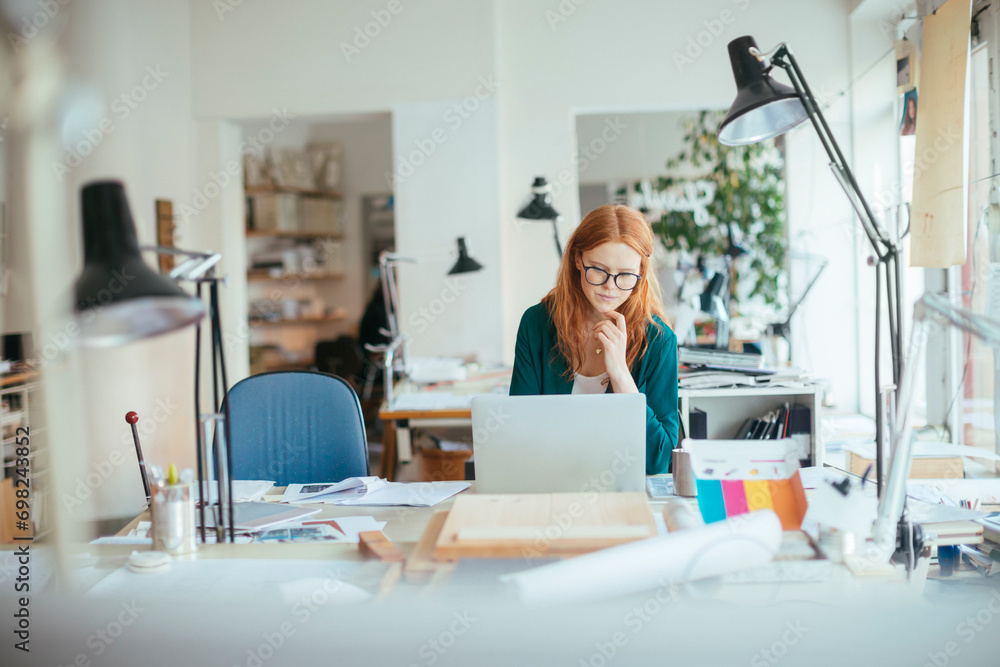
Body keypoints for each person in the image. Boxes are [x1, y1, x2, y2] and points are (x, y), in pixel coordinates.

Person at [510, 204, 678, 474]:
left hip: (624, 492)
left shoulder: (659, 341)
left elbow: (659, 461)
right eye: (598, 270)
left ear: (640, 273)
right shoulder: (536, 324)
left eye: (625, 275)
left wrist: (622, 377)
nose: (610, 286)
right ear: (578, 259)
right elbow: (517, 433)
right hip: (548, 483)